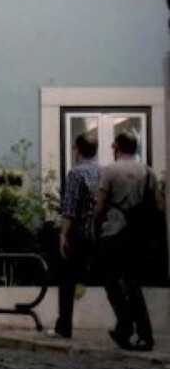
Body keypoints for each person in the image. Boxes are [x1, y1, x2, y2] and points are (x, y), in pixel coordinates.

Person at [94, 127, 160, 351]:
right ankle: (145, 334)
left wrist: (97, 224)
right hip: (138, 235)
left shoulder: (110, 171)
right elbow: (158, 206)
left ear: (118, 147)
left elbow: (100, 205)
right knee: (133, 283)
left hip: (114, 232)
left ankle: (125, 323)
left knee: (111, 282)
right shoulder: (148, 172)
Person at [53, 131, 100, 339]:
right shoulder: (102, 172)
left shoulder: (76, 174)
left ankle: (64, 326)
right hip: (99, 233)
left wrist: (63, 235)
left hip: (79, 234)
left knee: (67, 280)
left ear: (78, 150)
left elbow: (69, 208)